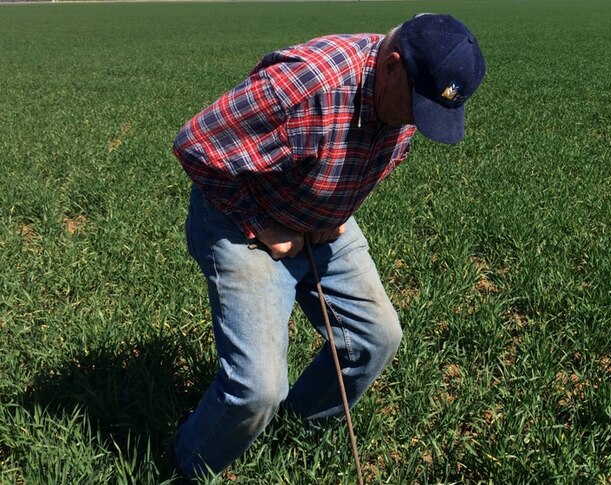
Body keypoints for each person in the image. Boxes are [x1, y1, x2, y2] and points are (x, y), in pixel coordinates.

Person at [170, 13, 486, 479]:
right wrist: (262, 224)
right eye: (418, 107)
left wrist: (332, 214)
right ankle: (189, 466)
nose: (419, 121)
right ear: (394, 65)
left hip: (321, 228)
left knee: (375, 339)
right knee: (257, 388)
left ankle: (296, 429)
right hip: (244, 224)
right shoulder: (307, 85)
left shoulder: (404, 93)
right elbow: (194, 142)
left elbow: (381, 153)